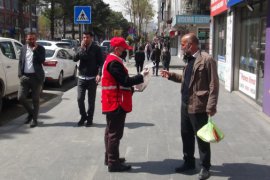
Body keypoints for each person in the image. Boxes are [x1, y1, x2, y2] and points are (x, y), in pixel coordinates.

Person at [161, 33, 219, 180]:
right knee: (186, 134)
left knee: (202, 138)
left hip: (199, 106)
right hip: (185, 104)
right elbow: (186, 80)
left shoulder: (207, 60)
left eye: (183, 44)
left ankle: (205, 167)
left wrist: (211, 106)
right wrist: (171, 75)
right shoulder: (190, 60)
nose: (181, 46)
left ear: (191, 45)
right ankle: (189, 162)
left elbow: (213, 84)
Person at [101, 37, 148, 172]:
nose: (125, 52)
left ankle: (110, 157)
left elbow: (119, 82)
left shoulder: (111, 60)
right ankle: (113, 163)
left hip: (112, 101)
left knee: (110, 132)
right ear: (117, 49)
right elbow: (125, 81)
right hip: (116, 102)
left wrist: (132, 88)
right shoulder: (114, 63)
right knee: (115, 134)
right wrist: (141, 76)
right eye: (123, 50)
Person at [74, 31, 103, 127]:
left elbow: (100, 63)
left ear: (91, 38)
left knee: (91, 100)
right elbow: (74, 58)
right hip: (81, 77)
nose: (85, 39)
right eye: (84, 37)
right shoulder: (80, 48)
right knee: (79, 99)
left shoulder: (96, 49)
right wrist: (81, 49)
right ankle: (83, 116)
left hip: (92, 78)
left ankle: (90, 119)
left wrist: (99, 74)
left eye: (87, 37)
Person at [18, 32, 45, 128]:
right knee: (20, 97)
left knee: (35, 100)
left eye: (33, 39)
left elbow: (42, 60)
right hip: (25, 77)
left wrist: (35, 50)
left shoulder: (40, 48)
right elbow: (20, 62)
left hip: (36, 77)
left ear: (35, 39)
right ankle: (31, 113)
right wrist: (20, 75)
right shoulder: (23, 48)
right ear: (26, 39)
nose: (31, 41)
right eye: (30, 39)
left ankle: (34, 119)